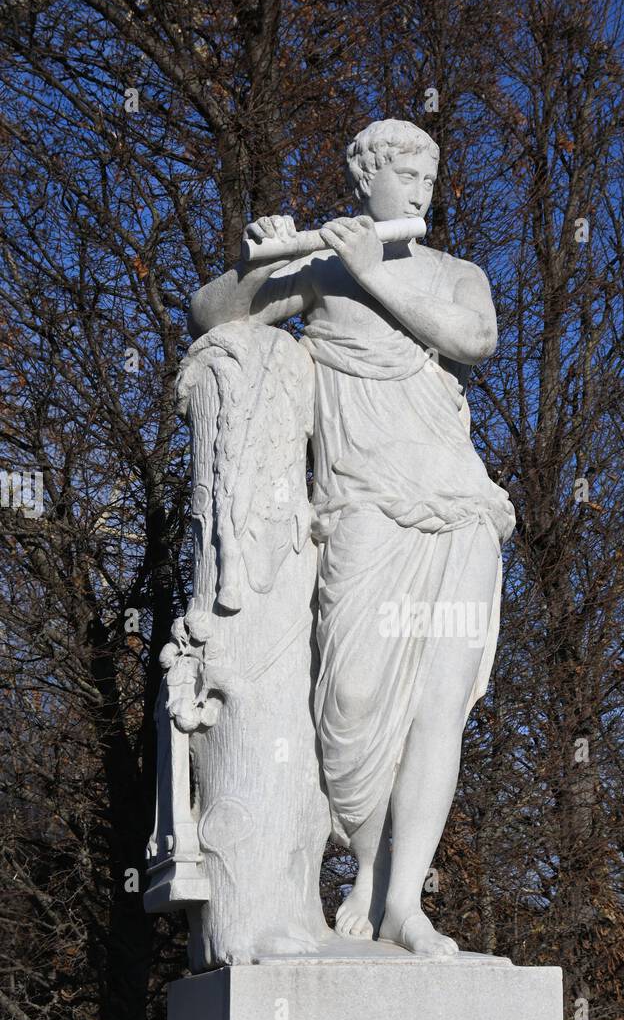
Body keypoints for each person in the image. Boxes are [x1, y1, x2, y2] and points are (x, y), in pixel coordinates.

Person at [189, 119, 514, 955]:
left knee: (443, 703)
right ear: (365, 179)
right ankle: (367, 877)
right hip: (363, 507)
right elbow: (213, 314)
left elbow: (475, 339)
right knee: (353, 702)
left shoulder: (454, 273)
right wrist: (262, 261)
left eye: (429, 179)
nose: (419, 191)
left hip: (459, 510)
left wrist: (377, 274)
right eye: (403, 174)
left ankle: (404, 901)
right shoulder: (324, 269)